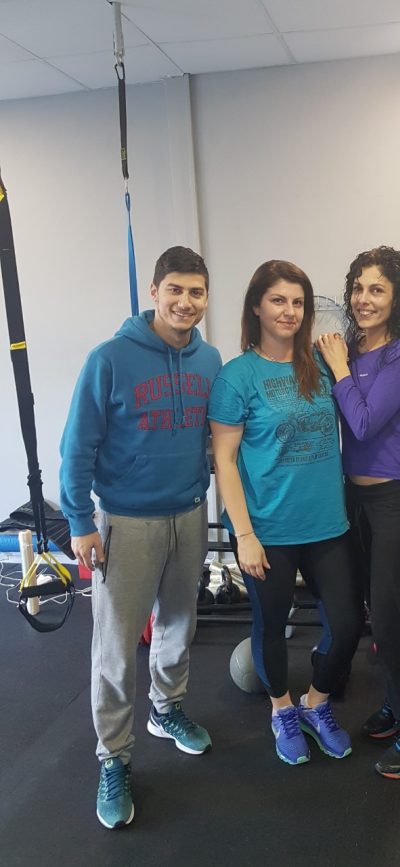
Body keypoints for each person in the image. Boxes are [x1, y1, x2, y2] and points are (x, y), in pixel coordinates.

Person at [59, 246, 222, 829]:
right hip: (125, 522)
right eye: (174, 289)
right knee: (116, 647)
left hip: (189, 514)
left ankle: (166, 709)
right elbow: (77, 446)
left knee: (178, 625)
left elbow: (219, 438)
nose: (185, 301)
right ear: (154, 292)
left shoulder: (210, 360)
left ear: (206, 298)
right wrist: (80, 521)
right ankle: (114, 757)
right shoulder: (109, 359)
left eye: (196, 292)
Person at [208, 260, 363, 767]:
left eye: (298, 302)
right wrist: (244, 535)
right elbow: (225, 461)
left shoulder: (323, 362)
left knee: (347, 624)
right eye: (278, 300)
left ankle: (316, 703)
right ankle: (282, 709)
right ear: (256, 306)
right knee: (271, 624)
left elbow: (364, 414)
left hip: (326, 524)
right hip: (268, 529)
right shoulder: (237, 377)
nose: (289, 311)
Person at [316, 245, 400, 780]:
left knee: (393, 620)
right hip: (357, 498)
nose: (364, 299)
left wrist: (339, 368)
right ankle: (398, 702)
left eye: (377, 289)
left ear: (398, 298)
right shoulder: (349, 348)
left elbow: (366, 423)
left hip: (397, 499)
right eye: (358, 288)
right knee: (379, 615)